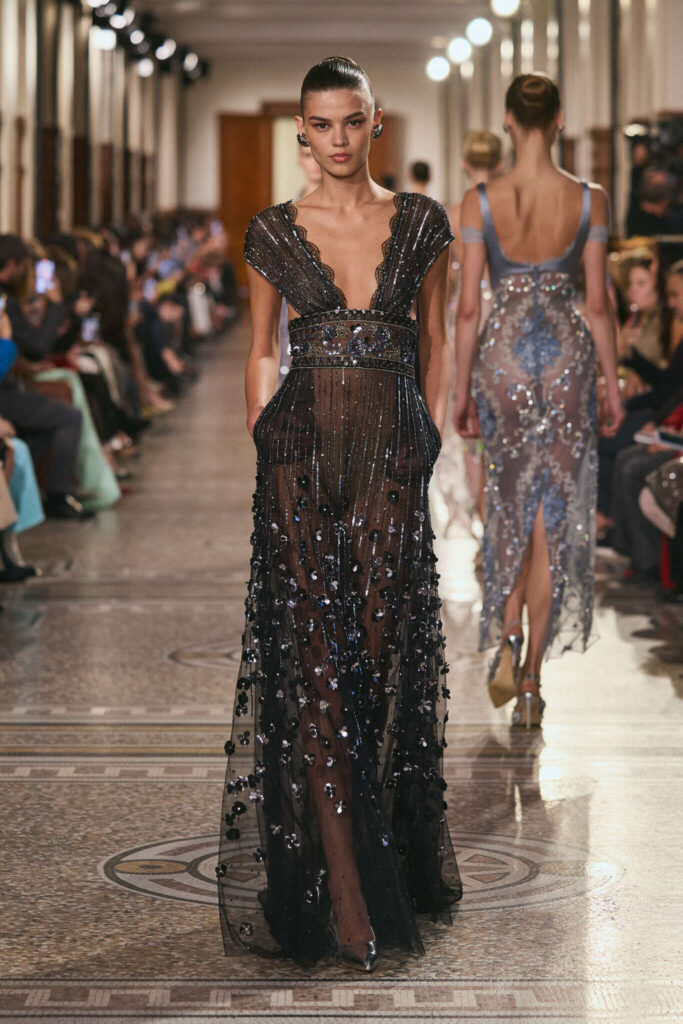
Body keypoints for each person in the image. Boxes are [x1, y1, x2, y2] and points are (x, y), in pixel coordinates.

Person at [217, 55, 461, 972]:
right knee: (318, 667)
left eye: (352, 121)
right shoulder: (274, 232)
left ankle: (366, 852)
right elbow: (259, 349)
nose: (339, 139)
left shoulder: (421, 223)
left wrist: (429, 433)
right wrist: (262, 428)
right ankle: (349, 890)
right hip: (298, 457)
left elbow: (435, 340)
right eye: (322, 124)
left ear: (375, 122)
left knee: (376, 658)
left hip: (392, 452)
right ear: (302, 133)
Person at [455, 73, 623, 726]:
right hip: (564, 360)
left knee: (507, 505)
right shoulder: (589, 199)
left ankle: (508, 636)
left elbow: (468, 309)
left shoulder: (479, 201)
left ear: (507, 120)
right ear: (558, 121)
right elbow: (598, 303)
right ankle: (529, 685)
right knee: (552, 519)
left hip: (501, 357)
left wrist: (461, 388)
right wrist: (609, 384)